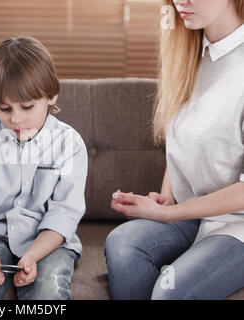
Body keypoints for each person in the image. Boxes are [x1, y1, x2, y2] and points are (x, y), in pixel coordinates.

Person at [104, 0, 244, 300]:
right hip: (192, 215)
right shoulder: (190, 51)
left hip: (239, 224)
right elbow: (183, 138)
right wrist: (167, 197)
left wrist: (171, 215)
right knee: (123, 245)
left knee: (171, 293)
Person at [0, 36, 88, 300]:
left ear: (52, 94)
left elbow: (64, 214)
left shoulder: (70, 144)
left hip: (48, 243)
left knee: (48, 293)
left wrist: (33, 256)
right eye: (4, 108)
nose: (15, 118)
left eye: (27, 107)